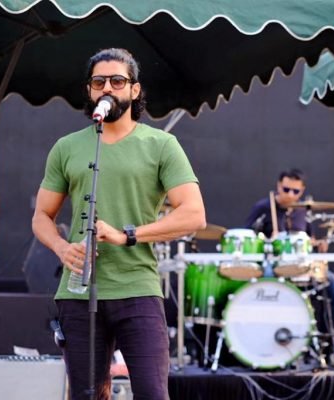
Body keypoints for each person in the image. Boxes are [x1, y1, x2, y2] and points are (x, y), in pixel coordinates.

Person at [32, 48, 205, 400]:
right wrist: (62, 247)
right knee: (87, 395)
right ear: (89, 90)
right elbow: (41, 216)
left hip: (137, 288)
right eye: (99, 81)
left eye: (117, 80)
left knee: (153, 393)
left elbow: (193, 214)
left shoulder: (161, 144)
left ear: (135, 90)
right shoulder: (67, 147)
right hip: (78, 292)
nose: (107, 87)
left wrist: (128, 235)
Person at [244, 169, 334, 330]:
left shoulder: (303, 210)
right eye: (286, 189)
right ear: (278, 186)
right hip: (273, 263)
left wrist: (318, 244)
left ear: (302, 191)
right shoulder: (264, 207)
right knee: (267, 277)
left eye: (295, 191)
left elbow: (308, 239)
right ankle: (266, 327)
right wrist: (268, 240)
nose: (290, 195)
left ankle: (331, 338)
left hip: (301, 264)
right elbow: (248, 237)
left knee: (332, 281)